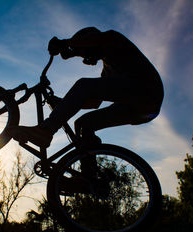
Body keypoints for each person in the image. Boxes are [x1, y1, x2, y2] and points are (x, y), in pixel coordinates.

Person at [12, 27, 164, 147]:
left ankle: (46, 130)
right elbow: (94, 102)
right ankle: (89, 179)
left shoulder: (112, 38)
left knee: (84, 84)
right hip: (138, 109)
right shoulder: (107, 71)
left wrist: (66, 43)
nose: (85, 58)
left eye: (84, 53)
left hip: (147, 91)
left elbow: (93, 40)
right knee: (84, 125)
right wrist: (63, 103)